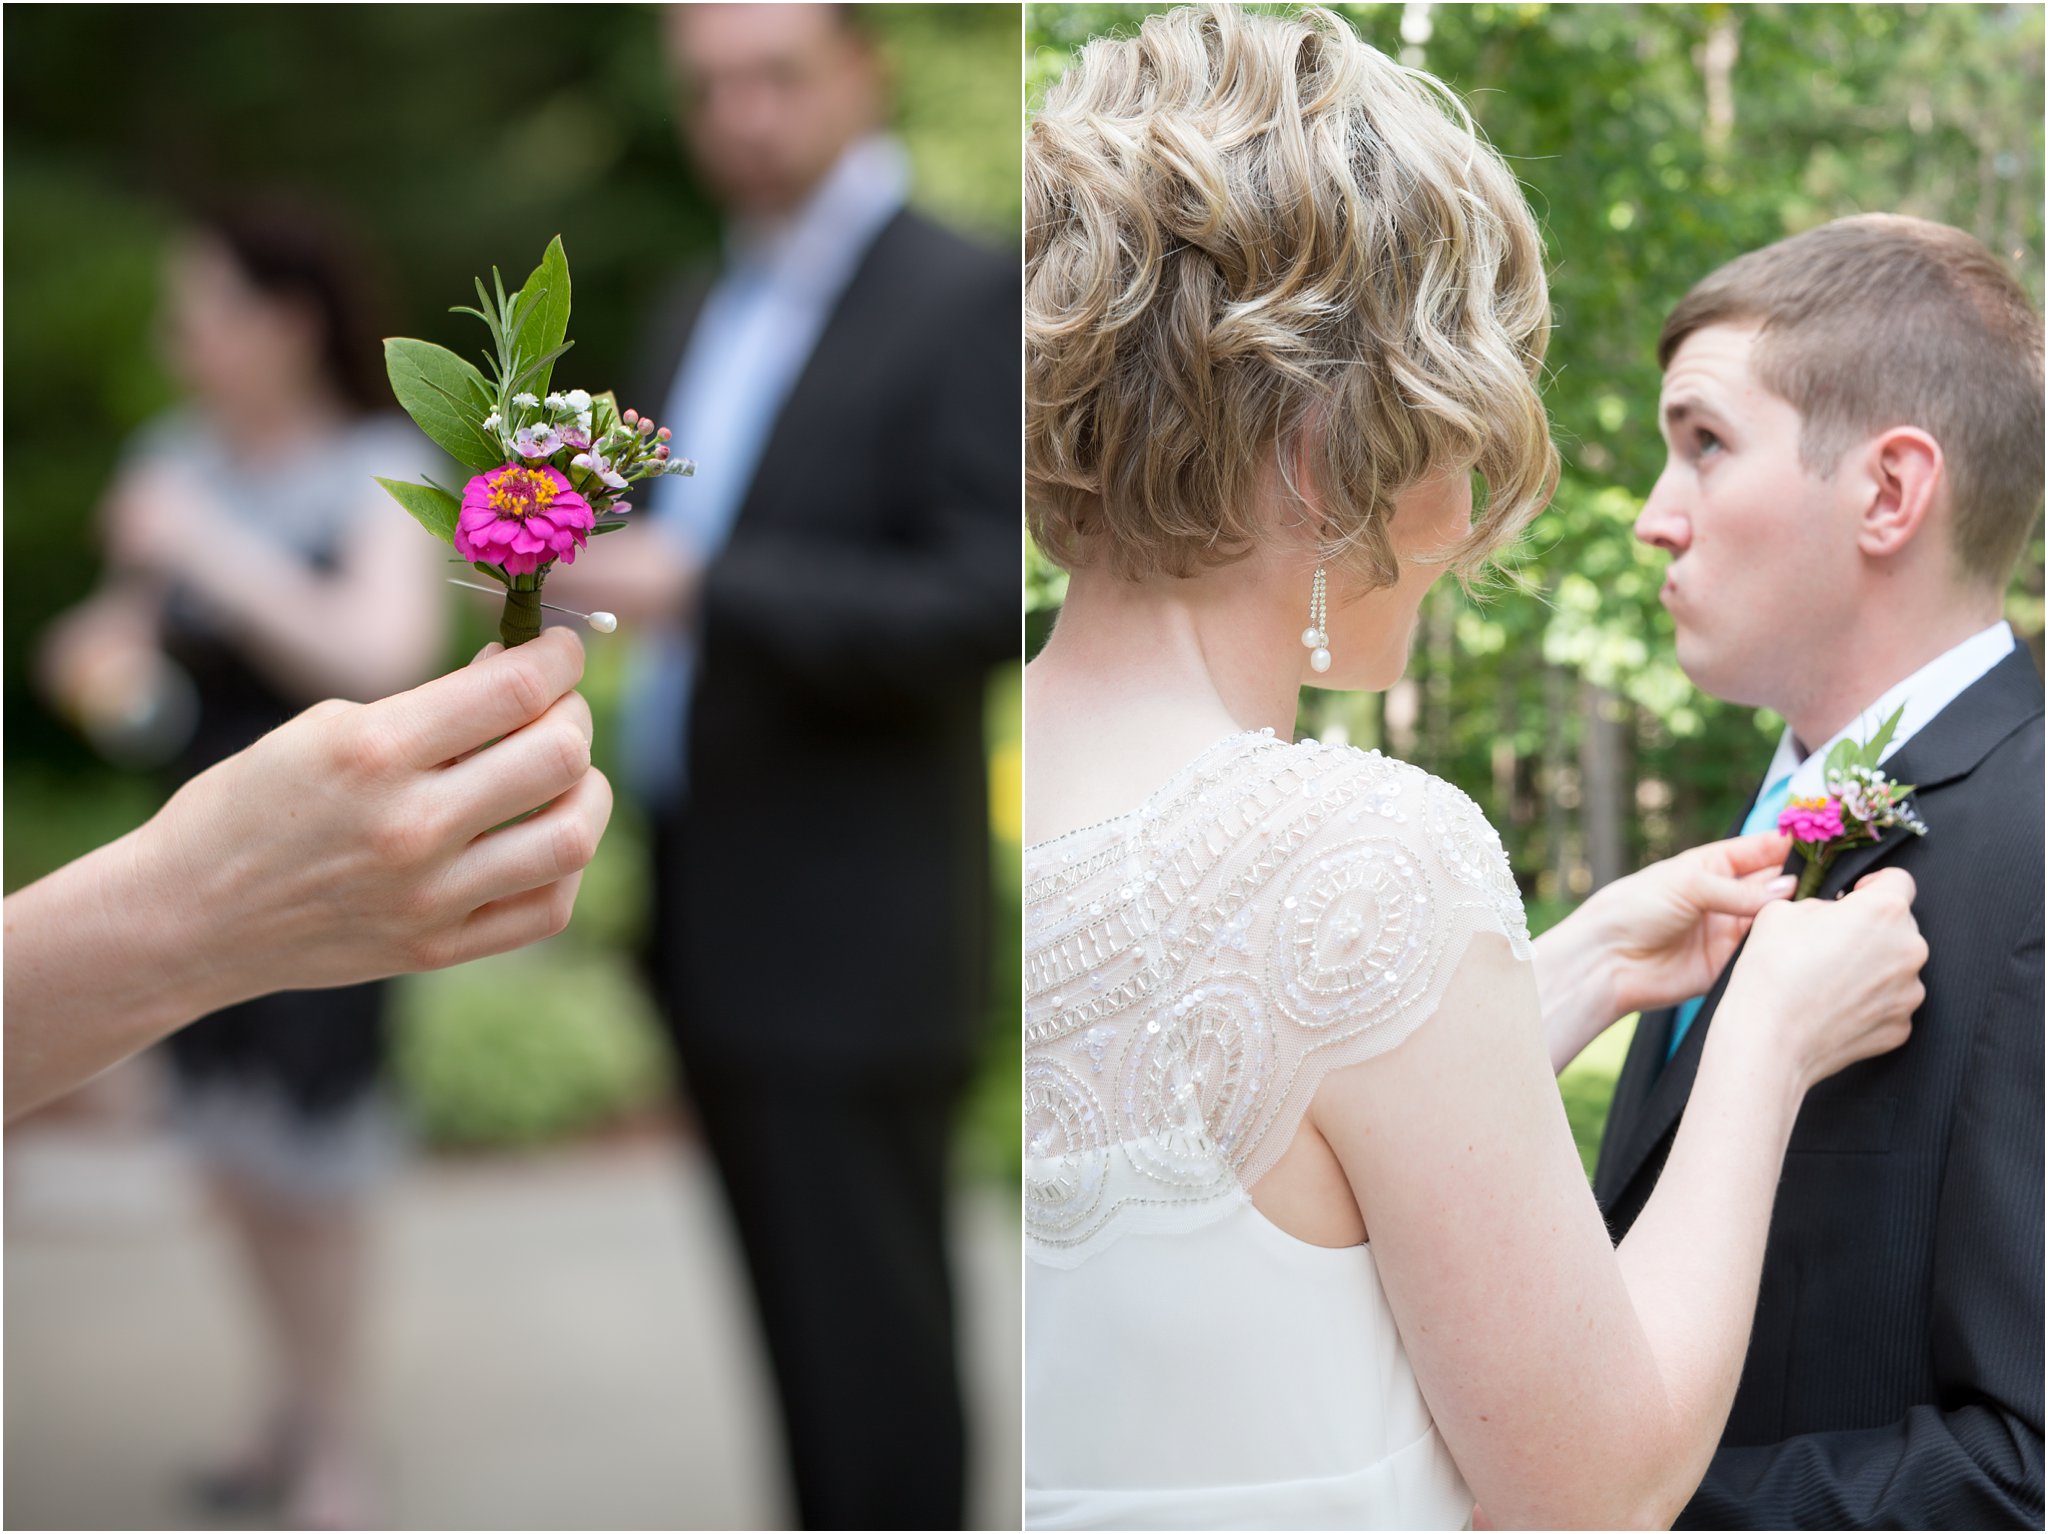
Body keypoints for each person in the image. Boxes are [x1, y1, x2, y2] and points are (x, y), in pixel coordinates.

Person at [1022, 7, 1929, 1528]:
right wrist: (1765, 1038)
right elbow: (1601, 1485)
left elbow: (1247, 1141)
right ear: (1325, 455)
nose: (1462, 521)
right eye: (1456, 432)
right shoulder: (1360, 855)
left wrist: (1550, 974)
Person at [544, 6, 1016, 1527]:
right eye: (706, 89)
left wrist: (706, 587)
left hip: (859, 926)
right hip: (710, 902)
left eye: (776, 76)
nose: (739, 115)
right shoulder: (696, 303)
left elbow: (987, 595)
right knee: (799, 1365)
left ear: (864, 71)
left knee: (878, 1375)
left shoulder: (963, 291)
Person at [1589, 215, 2044, 1528]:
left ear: (1892, 493)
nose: (1652, 519)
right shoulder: (1762, 829)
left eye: (1705, 443)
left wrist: (1579, 1507)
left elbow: (2030, 1467)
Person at [35, 203, 458, 1529]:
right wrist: (88, 653)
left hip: (339, 868)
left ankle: (332, 1437)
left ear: (285, 325)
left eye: (201, 311)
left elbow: (382, 657)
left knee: (317, 1174)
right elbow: (119, 627)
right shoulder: (171, 456)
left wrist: (205, 543)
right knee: (231, 1159)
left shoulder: (380, 465)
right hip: (189, 857)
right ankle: (284, 1401)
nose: (180, 341)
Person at [9, 629, 608, 1120]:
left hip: (333, 844)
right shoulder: (170, 487)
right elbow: (97, 632)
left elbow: (387, 651)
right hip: (225, 831)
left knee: (310, 1158)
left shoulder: (348, 492)